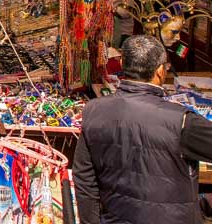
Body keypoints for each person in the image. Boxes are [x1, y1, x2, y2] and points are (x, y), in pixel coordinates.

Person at [73, 34, 212, 224]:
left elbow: (84, 178)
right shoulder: (182, 121)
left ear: (122, 64)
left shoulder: (94, 109)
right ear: (160, 71)